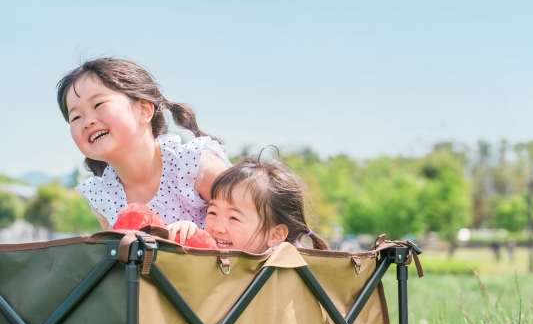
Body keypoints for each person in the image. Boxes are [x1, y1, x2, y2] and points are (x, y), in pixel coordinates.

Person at [56, 57, 232, 242]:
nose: (87, 121)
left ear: (144, 110)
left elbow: (254, 232)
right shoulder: (103, 197)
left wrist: (196, 234)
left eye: (98, 104)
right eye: (76, 117)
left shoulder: (194, 166)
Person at [202, 154, 329, 252]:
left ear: (275, 235)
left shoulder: (283, 275)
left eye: (234, 218)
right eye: (213, 212)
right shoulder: (209, 257)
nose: (217, 228)